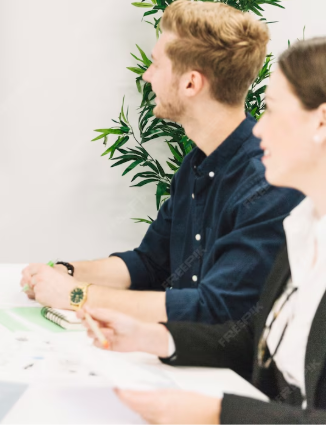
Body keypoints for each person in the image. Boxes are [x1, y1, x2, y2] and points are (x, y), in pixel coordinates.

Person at [79, 37, 326, 423]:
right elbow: (262, 347)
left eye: (271, 111)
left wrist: (216, 413)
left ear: (321, 122)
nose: (258, 131)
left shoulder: (275, 202)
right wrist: (158, 337)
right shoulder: (303, 228)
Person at [21, 0, 304, 324]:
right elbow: (149, 264)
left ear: (190, 83)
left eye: (157, 64)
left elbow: (216, 309)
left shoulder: (267, 183)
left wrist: (77, 295)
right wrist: (67, 272)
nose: (147, 75)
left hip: (222, 373)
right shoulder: (195, 166)